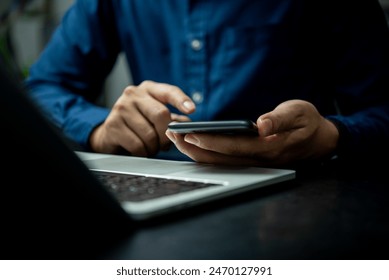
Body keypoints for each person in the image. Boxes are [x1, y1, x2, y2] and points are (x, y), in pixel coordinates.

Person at [25, 0, 389, 167]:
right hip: (162, 179)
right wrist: (100, 129)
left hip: (298, 192)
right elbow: (42, 88)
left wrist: (332, 136)